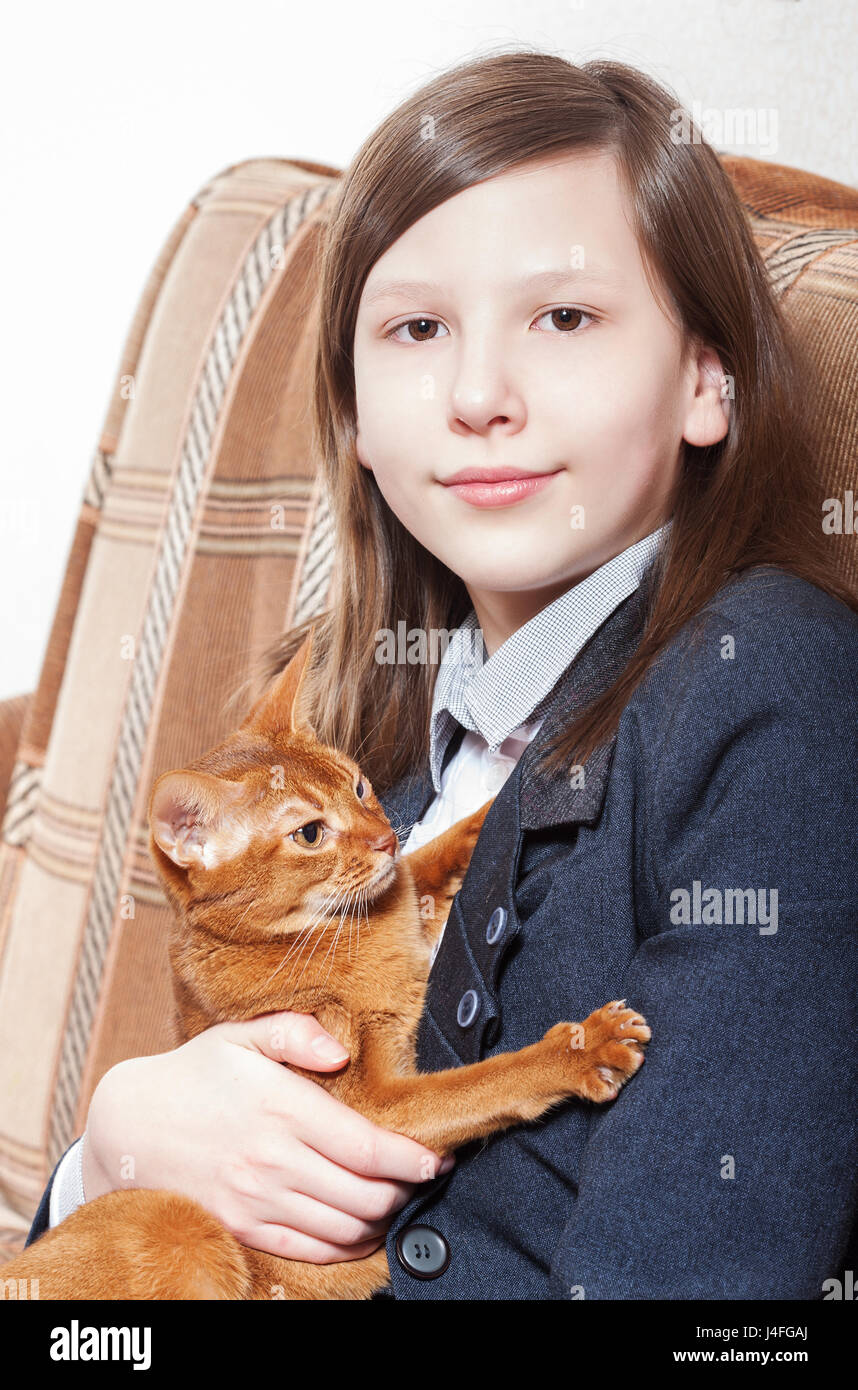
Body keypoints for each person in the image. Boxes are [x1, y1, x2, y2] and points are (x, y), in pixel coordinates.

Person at [25, 48, 858, 1299]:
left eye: (565, 317)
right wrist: (116, 1144)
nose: (479, 394)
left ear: (706, 378)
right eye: (418, 328)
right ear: (356, 418)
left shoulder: (772, 686)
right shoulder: (342, 702)